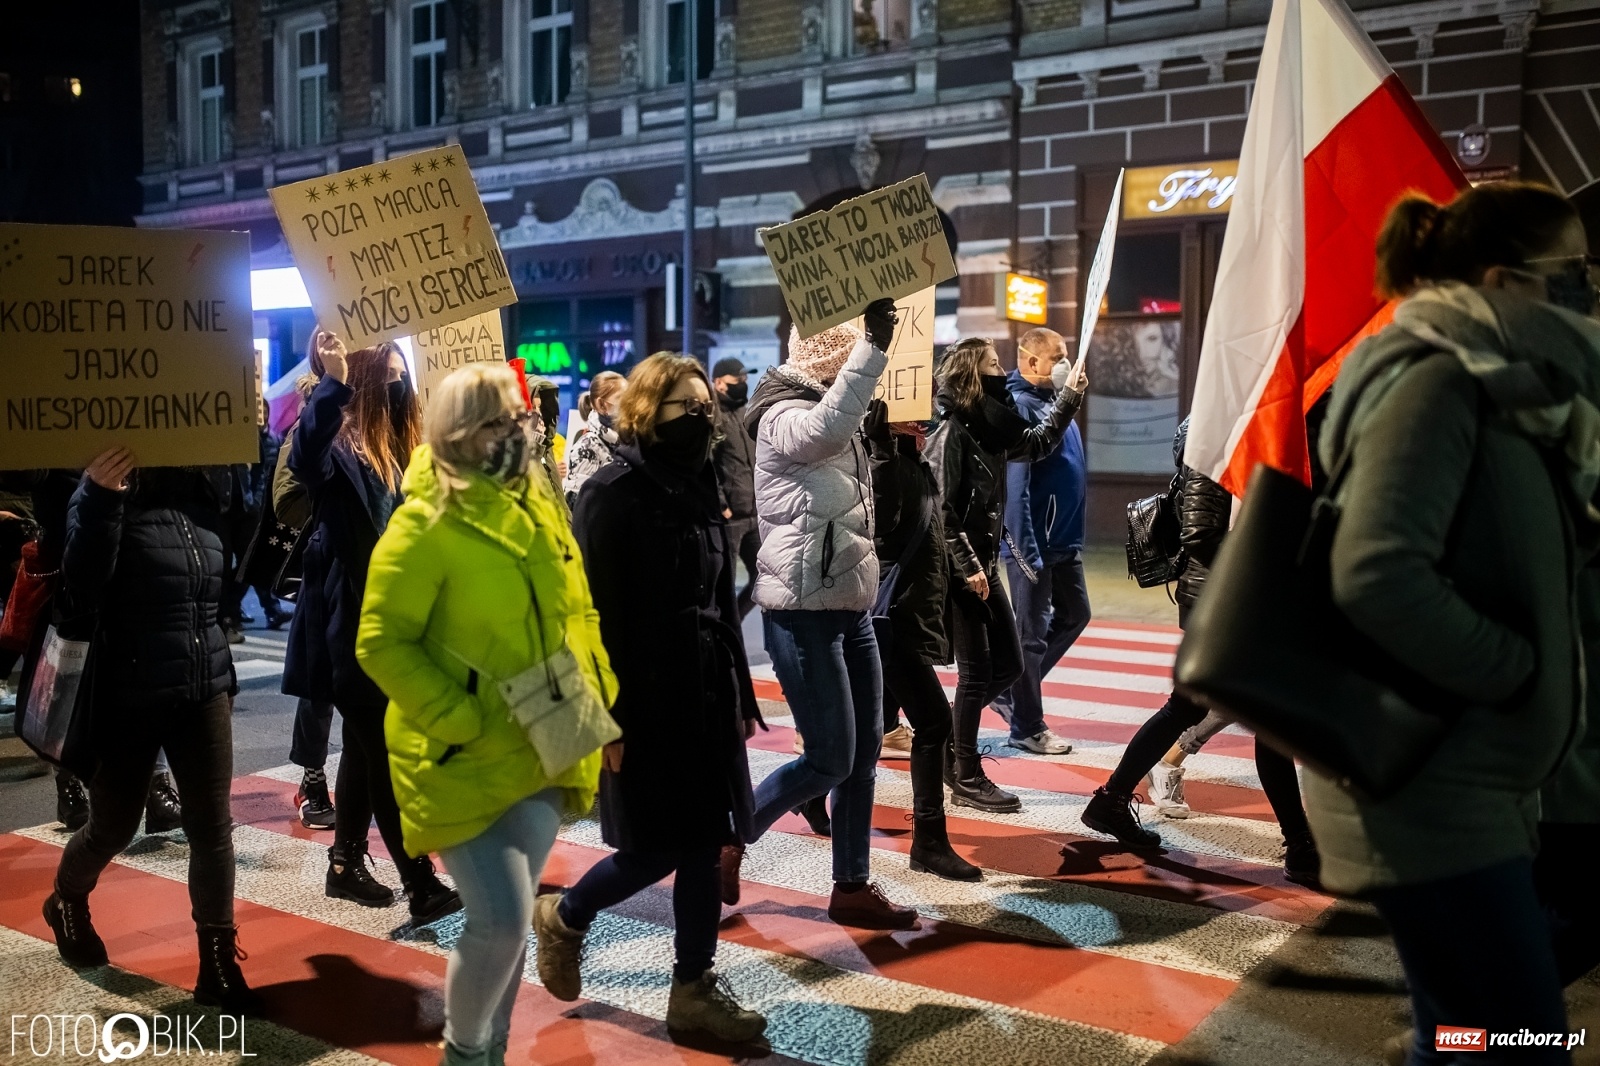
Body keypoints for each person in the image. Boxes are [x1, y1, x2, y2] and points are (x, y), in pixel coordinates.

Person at [1306, 182, 1599, 1063]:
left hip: (1476, 775)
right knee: (1519, 1037)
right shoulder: (1434, 380)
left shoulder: (1506, 384)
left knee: (1481, 1028)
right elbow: (1377, 574)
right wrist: (1519, 672)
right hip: (1434, 782)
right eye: (1575, 274)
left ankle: (1441, 1047)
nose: (1588, 293)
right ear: (1507, 279)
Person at [355, 363, 614, 1066]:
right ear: (459, 430)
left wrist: (600, 694)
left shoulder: (535, 505)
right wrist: (458, 715)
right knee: (499, 921)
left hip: (543, 736)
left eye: (520, 417)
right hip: (458, 754)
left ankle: (490, 1054)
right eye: (501, 419)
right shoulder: (422, 526)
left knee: (510, 923)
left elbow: (577, 608)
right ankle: (465, 1055)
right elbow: (380, 642)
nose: (520, 431)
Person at [535, 354, 768, 1043]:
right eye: (687, 410)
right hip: (643, 698)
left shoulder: (699, 484)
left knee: (702, 840)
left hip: (704, 691)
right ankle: (567, 914)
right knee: (654, 848)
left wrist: (736, 697)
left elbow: (718, 597)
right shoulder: (612, 492)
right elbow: (590, 615)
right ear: (647, 412)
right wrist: (604, 721)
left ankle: (692, 987)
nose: (702, 421)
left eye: (706, 409)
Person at [722, 302, 918, 930]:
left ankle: (852, 886)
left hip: (851, 605)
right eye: (848, 352)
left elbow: (860, 502)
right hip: (802, 612)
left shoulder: (843, 412)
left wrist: (887, 449)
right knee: (830, 758)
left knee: (862, 758)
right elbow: (823, 433)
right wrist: (875, 348)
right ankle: (732, 834)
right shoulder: (780, 410)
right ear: (829, 355)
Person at [42, 452, 258, 1014]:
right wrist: (97, 495)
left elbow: (230, 580)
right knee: (112, 825)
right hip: (127, 690)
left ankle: (217, 961)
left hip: (203, 684)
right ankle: (66, 898)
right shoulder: (104, 491)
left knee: (212, 828)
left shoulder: (204, 496)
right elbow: (82, 585)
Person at [1084, 418, 1321, 888]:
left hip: (1244, 596)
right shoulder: (1214, 426)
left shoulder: (1267, 418)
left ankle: (1110, 802)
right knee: (1262, 711)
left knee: (1192, 706)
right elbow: (1201, 534)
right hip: (1220, 598)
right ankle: (1300, 846)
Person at [286, 330, 459, 922]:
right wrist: (331, 383)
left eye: (398, 360)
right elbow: (302, 461)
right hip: (351, 619)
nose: (395, 364)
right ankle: (420, 881)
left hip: (405, 616)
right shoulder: (335, 437)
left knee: (364, 750)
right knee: (382, 747)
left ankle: (344, 863)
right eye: (382, 355)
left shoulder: (410, 438)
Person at [927, 338, 1084, 814]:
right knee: (976, 672)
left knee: (1010, 665)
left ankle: (950, 746)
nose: (1002, 371)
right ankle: (966, 772)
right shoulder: (953, 427)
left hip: (983, 562)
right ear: (974, 373)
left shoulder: (993, 421)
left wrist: (1070, 398)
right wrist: (970, 564)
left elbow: (1035, 444)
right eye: (993, 364)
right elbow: (942, 508)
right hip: (963, 567)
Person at [864, 400, 981, 880]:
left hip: (911, 614)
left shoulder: (916, 461)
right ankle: (929, 842)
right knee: (933, 722)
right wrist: (883, 448)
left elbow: (937, 529)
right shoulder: (886, 462)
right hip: (894, 616)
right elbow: (886, 523)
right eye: (909, 415)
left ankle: (810, 798)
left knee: (864, 730)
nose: (923, 420)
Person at [992, 327, 1088, 756]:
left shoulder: (1055, 403)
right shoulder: (1020, 406)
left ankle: (1011, 693)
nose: (1066, 363)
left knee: (1075, 615)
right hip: (1034, 541)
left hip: (1063, 539)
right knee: (1030, 635)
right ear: (1032, 363)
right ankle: (1027, 725)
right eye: (1058, 357)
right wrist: (1022, 548)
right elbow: (1018, 485)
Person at [710, 357, 761, 620]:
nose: (742, 384)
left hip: (754, 512)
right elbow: (708, 465)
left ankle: (733, 623)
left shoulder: (746, 412)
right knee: (724, 585)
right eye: (736, 380)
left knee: (763, 578)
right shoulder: (713, 417)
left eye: (744, 380)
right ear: (718, 383)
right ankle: (726, 634)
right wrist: (722, 506)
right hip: (731, 518)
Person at [562, 370, 626, 503]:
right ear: (601, 405)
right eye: (621, 398)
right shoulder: (586, 447)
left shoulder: (629, 441)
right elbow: (578, 505)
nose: (628, 404)